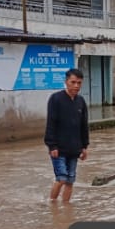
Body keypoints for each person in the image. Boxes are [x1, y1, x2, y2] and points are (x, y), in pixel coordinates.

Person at [44, 67, 90, 204]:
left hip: (75, 148)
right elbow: (51, 123)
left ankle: (65, 207)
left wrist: (84, 146)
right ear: (66, 82)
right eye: (73, 82)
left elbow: (84, 125)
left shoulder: (80, 101)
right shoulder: (56, 99)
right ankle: (51, 204)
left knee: (70, 180)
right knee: (61, 178)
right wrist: (52, 145)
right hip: (58, 149)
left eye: (79, 83)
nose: (76, 86)